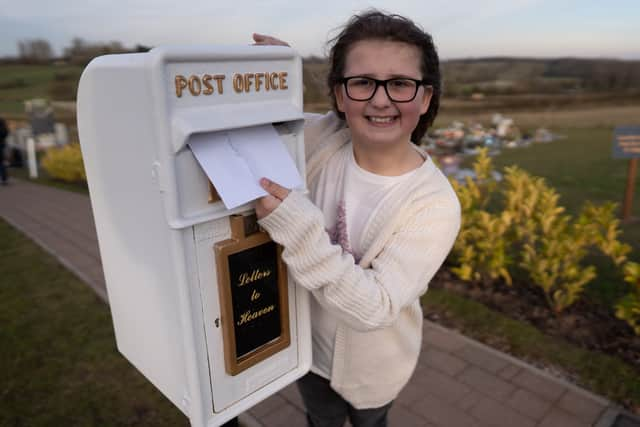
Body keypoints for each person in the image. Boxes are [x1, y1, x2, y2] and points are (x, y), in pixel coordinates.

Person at [253, 10, 461, 427]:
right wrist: (275, 78)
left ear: (424, 98)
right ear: (340, 95)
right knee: (320, 419)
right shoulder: (321, 140)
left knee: (371, 423)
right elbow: (272, 125)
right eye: (363, 82)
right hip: (308, 354)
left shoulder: (434, 204)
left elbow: (375, 308)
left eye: (400, 84)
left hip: (375, 373)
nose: (380, 99)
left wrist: (297, 226)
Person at [0, 117, 9, 185]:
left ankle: (4, 178)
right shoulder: (4, 126)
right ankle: (4, 179)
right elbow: (6, 133)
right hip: (2, 145)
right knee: (1, 162)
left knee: (1, 162)